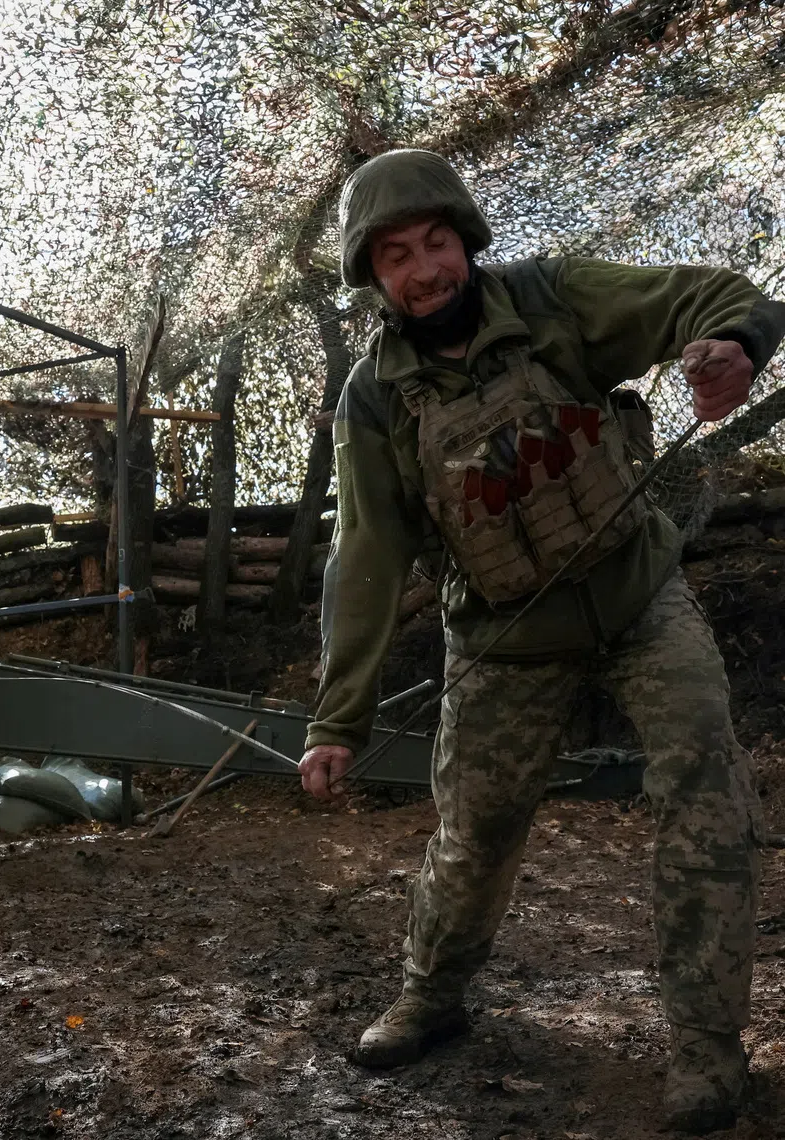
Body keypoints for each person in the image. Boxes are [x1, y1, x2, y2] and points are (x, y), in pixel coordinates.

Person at [298, 148, 785, 1135]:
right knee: (473, 831)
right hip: (504, 639)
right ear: (373, 277)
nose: (425, 270)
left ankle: (707, 1046)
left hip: (639, 600)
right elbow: (368, 553)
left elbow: (714, 297)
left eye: (436, 242)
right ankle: (431, 995)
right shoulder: (374, 397)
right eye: (396, 256)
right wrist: (338, 717)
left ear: (466, 240)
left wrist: (733, 347)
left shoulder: (554, 300)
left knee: (705, 793)